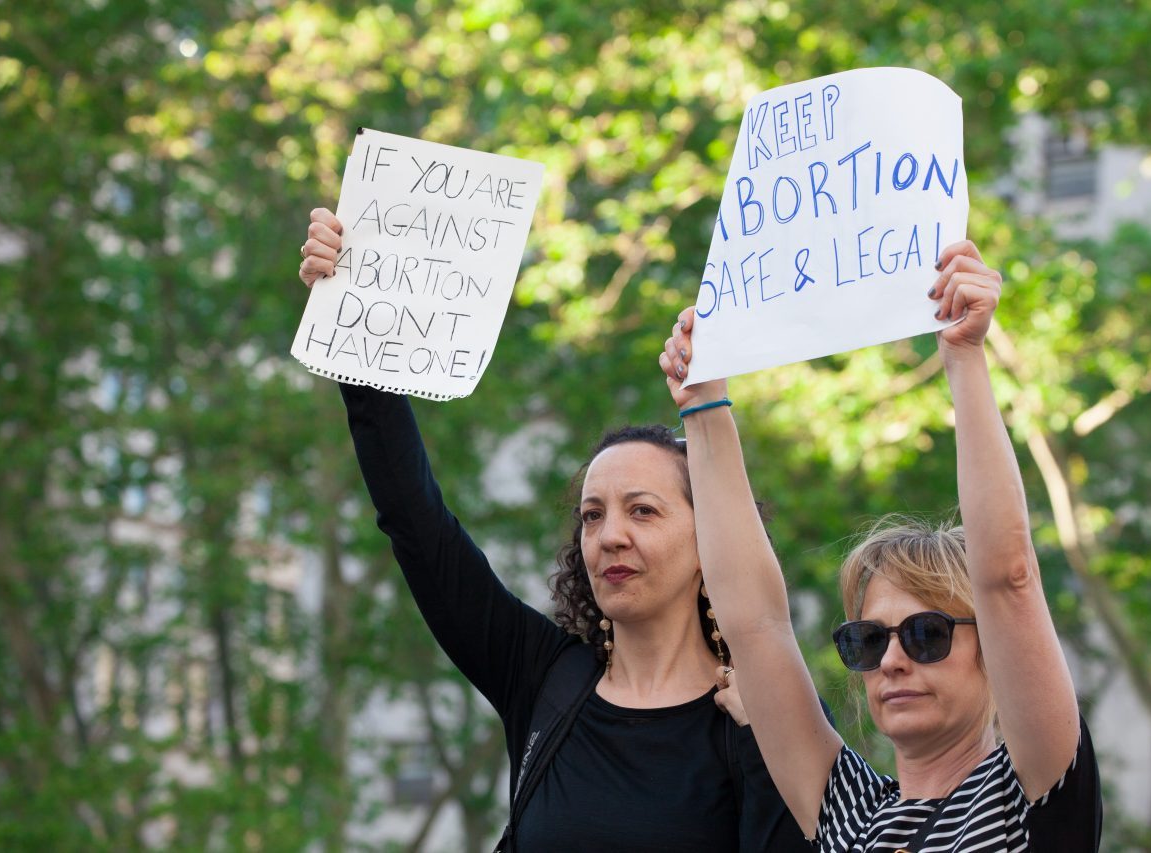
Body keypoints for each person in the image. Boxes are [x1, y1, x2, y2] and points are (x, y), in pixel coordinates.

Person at [297, 208, 814, 852]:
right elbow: (415, 523)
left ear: (712, 538)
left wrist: (761, 745)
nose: (609, 536)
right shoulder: (545, 679)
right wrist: (357, 316)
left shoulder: (758, 726)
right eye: (592, 515)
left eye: (643, 510)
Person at [658, 240, 1102, 851]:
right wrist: (704, 403)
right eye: (866, 641)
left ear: (991, 647)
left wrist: (964, 355)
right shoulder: (848, 816)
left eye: (926, 633)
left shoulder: (1028, 797)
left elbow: (1009, 577)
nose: (892, 661)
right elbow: (755, 626)